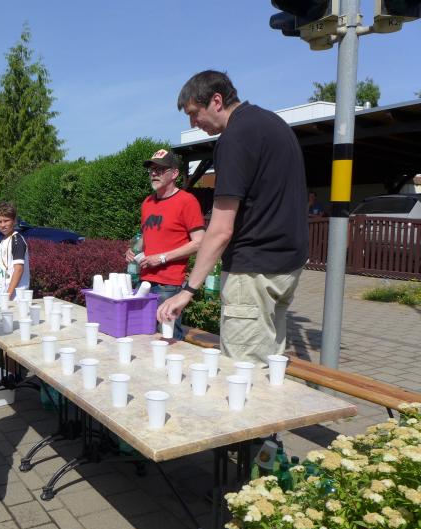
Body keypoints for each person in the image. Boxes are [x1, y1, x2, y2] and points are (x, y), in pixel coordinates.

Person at [158, 70, 309, 364]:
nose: (192, 123)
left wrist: (187, 291)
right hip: (287, 268)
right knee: (270, 366)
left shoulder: (234, 138)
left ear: (216, 101)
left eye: (194, 113)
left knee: (242, 374)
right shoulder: (274, 124)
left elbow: (221, 229)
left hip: (253, 272)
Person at [126, 149, 205, 341]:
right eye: (152, 170)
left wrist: (162, 258)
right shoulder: (147, 202)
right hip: (143, 281)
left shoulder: (187, 201)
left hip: (168, 285)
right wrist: (134, 249)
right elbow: (147, 235)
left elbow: (200, 242)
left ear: (174, 173)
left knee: (168, 339)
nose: (154, 173)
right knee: (142, 335)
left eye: (160, 170)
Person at [0, 202, 29, 300]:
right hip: (4, 293)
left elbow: (18, 269)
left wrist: (8, 295)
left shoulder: (17, 240)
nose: (3, 225)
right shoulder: (3, 241)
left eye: (6, 221)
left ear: (14, 221)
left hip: (16, 296)